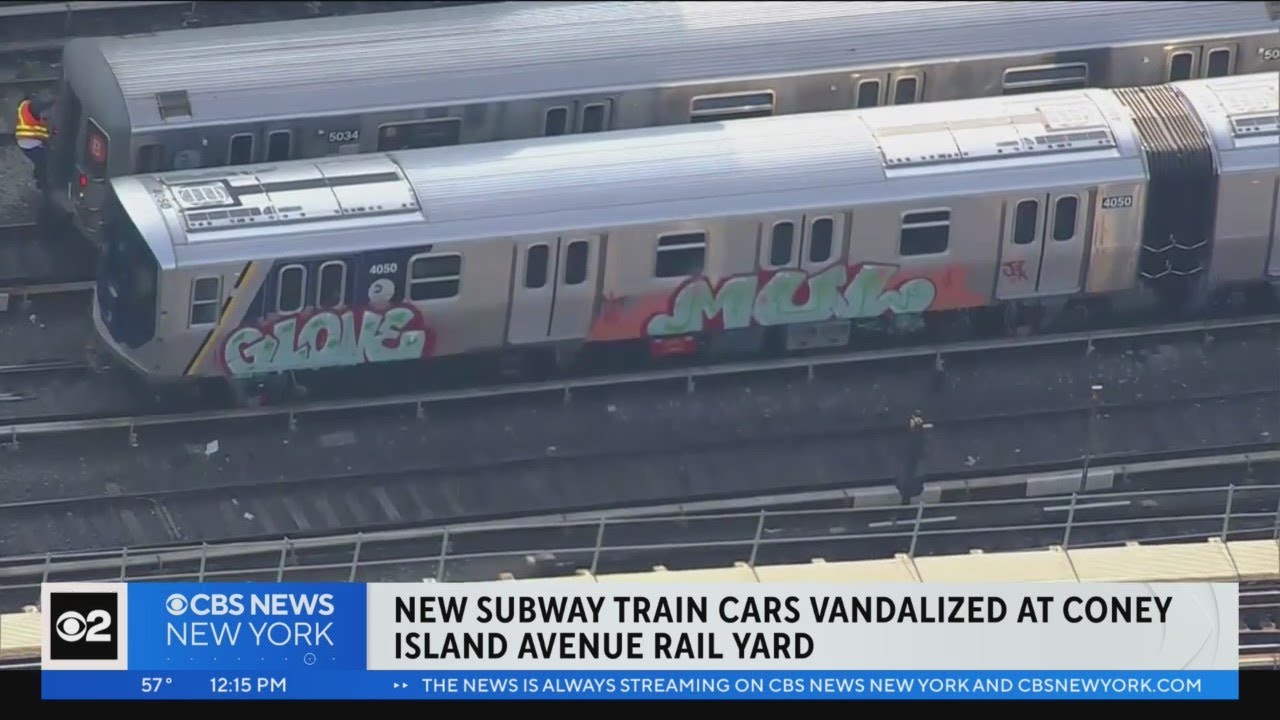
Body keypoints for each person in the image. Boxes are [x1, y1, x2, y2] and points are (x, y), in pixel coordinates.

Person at [14, 95, 52, 190]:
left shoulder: (22, 107)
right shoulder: (33, 106)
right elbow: (42, 105)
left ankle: (37, 176)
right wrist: (54, 100)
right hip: (31, 142)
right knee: (43, 162)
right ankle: (42, 185)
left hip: (22, 141)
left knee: (38, 160)